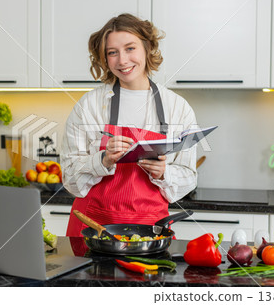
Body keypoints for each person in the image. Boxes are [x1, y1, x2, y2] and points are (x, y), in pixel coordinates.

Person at [61, 13, 198, 237]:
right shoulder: (89, 106)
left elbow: (189, 177)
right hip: (93, 230)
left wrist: (164, 173)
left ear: (147, 48)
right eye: (112, 52)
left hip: (149, 232)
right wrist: (102, 160)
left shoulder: (177, 108)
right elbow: (70, 180)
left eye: (130, 48)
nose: (122, 60)